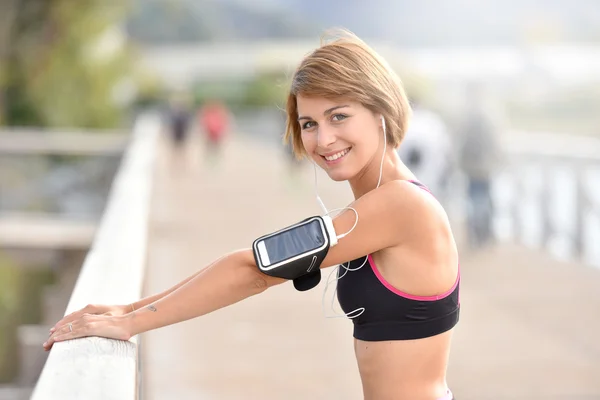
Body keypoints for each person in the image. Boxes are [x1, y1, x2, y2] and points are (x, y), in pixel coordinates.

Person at [44, 30, 460, 400]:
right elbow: (255, 259)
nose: (323, 139)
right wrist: (127, 310)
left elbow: (255, 269)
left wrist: (131, 322)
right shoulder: (379, 204)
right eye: (309, 123)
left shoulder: (402, 206)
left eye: (339, 116)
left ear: (382, 110)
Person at [397, 100, 453, 206]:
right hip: (428, 177)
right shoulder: (432, 123)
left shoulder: (406, 121)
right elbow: (445, 149)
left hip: (415, 176)